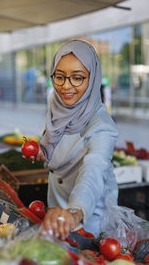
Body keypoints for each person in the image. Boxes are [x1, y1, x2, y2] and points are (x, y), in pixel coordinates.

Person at [35, 40, 118, 239]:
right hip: (56, 210)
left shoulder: (102, 127)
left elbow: (93, 172)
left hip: (87, 221)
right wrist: (43, 150)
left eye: (78, 78)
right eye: (60, 76)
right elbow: (54, 137)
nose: (66, 86)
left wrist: (76, 211)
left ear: (93, 79)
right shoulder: (57, 104)